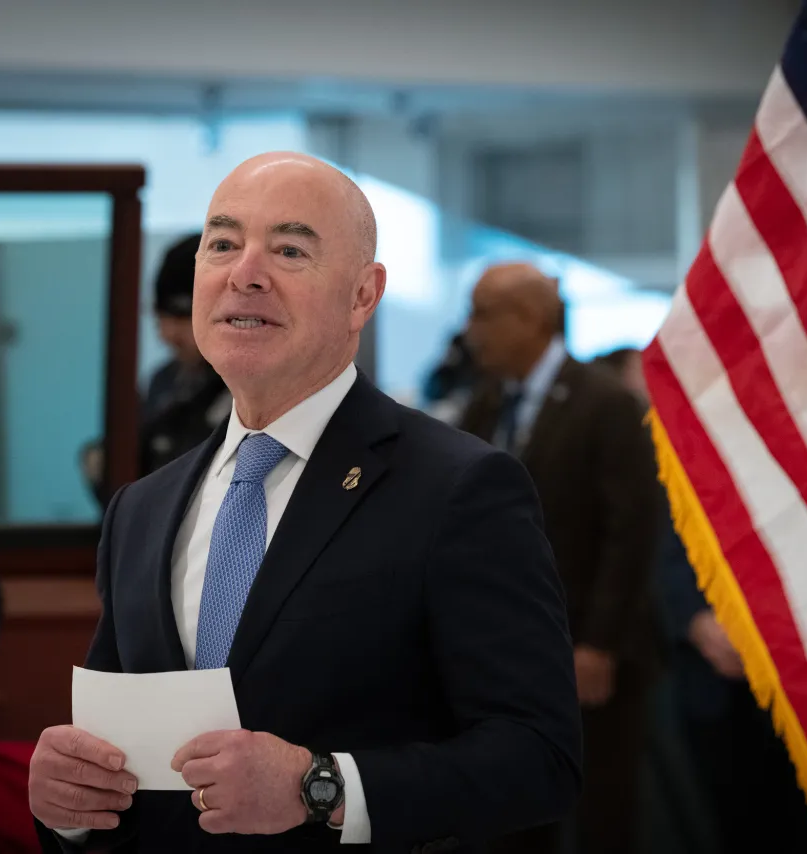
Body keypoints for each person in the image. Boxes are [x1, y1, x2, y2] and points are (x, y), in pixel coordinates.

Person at [29, 153, 582, 854]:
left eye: (289, 249)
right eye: (223, 244)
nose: (245, 272)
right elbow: (123, 766)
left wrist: (319, 787)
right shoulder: (141, 508)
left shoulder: (458, 488)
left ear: (362, 294)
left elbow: (540, 761)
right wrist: (71, 809)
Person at [457, 265, 660, 854]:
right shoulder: (487, 402)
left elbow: (630, 532)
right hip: (510, 653)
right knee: (518, 810)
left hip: (593, 655)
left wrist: (599, 643)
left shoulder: (606, 402)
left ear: (531, 319)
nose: (471, 331)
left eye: (483, 314)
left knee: (602, 813)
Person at [598, 346, 807, 854]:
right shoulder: (673, 442)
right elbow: (657, 542)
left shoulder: (805, 441)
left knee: (799, 815)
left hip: (799, 666)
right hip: (706, 669)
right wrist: (695, 620)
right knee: (719, 812)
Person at [81, 234, 230, 508]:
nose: (169, 334)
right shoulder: (164, 381)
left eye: (183, 317)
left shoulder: (242, 386)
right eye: (161, 317)